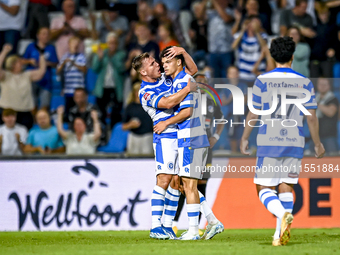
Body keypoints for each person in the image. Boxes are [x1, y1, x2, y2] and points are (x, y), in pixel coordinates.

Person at [240, 36, 325, 246]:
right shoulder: (305, 82)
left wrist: (244, 137)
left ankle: (281, 215)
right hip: (295, 142)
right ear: (293, 56)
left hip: (269, 141)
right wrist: (317, 143)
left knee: (263, 188)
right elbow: (311, 117)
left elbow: (253, 114)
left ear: (272, 55)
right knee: (286, 185)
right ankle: (279, 236)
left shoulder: (262, 81)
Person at [153, 46, 224, 240]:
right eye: (163, 62)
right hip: (185, 138)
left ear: (178, 63)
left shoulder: (184, 80)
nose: (163, 66)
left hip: (192, 137)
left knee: (190, 186)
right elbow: (193, 71)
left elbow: (188, 111)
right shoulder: (178, 80)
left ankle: (193, 231)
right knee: (184, 184)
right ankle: (213, 222)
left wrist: (165, 122)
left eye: (168, 62)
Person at [132, 47, 198, 240]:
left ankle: (167, 226)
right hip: (165, 137)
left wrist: (184, 53)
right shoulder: (145, 92)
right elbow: (168, 103)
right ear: (143, 72)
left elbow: (192, 72)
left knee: (176, 182)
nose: (158, 64)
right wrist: (187, 88)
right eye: (152, 64)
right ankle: (155, 226)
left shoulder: (165, 79)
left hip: (179, 135)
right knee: (163, 179)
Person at [172, 73, 224, 234]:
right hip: (188, 145)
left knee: (201, 184)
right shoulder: (187, 100)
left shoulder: (211, 102)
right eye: (198, 81)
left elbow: (221, 120)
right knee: (183, 184)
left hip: (205, 149)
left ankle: (199, 226)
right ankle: (175, 222)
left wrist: (215, 136)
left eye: (204, 81)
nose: (201, 84)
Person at [0, 44, 46, 130]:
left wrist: (42, 55)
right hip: (7, 112)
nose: (21, 63)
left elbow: (41, 72)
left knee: (24, 138)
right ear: (12, 64)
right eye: (19, 61)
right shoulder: (5, 75)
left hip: (24, 112)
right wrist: (4, 52)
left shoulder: (27, 75)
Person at [92, 33, 126, 129]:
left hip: (116, 88)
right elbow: (95, 68)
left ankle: (113, 134)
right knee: (101, 114)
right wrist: (99, 58)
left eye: (114, 43)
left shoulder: (121, 54)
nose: (112, 45)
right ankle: (102, 134)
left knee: (115, 115)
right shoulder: (102, 53)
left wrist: (112, 57)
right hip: (103, 88)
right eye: (110, 43)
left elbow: (121, 69)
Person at [22, 27, 59, 110]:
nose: (45, 36)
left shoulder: (51, 48)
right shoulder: (31, 46)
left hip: (46, 81)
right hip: (32, 80)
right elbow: (22, 61)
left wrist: (46, 63)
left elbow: (56, 63)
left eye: (47, 34)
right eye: (43, 34)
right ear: (38, 35)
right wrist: (30, 61)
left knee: (45, 106)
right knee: (31, 106)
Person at [197, 0, 234, 78]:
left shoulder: (231, 11)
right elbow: (199, 16)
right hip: (213, 51)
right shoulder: (211, 13)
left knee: (227, 78)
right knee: (214, 78)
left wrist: (215, 3)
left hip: (226, 51)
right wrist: (204, 2)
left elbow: (226, 19)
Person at [57, 36, 87, 115]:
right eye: (73, 43)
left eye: (77, 43)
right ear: (69, 44)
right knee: (69, 111)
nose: (75, 45)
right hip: (68, 90)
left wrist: (73, 62)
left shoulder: (81, 56)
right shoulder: (64, 56)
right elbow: (58, 71)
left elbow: (84, 69)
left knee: (79, 111)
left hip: (78, 90)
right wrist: (64, 63)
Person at [232, 16, 268, 81]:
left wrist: (257, 32)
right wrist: (243, 30)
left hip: (258, 73)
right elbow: (233, 46)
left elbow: (264, 47)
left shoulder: (263, 35)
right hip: (243, 73)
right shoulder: (240, 35)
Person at [122, 83, 153, 155]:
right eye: (137, 91)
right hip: (133, 137)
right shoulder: (130, 107)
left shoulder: (150, 106)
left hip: (147, 137)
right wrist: (130, 125)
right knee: (132, 160)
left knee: (147, 160)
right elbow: (123, 126)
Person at [315, 78, 339, 154]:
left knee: (334, 161)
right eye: (320, 84)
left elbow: (331, 112)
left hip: (329, 137)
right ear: (317, 85)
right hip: (316, 137)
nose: (322, 86)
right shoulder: (314, 98)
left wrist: (317, 104)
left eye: (325, 84)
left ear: (329, 86)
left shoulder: (333, 99)